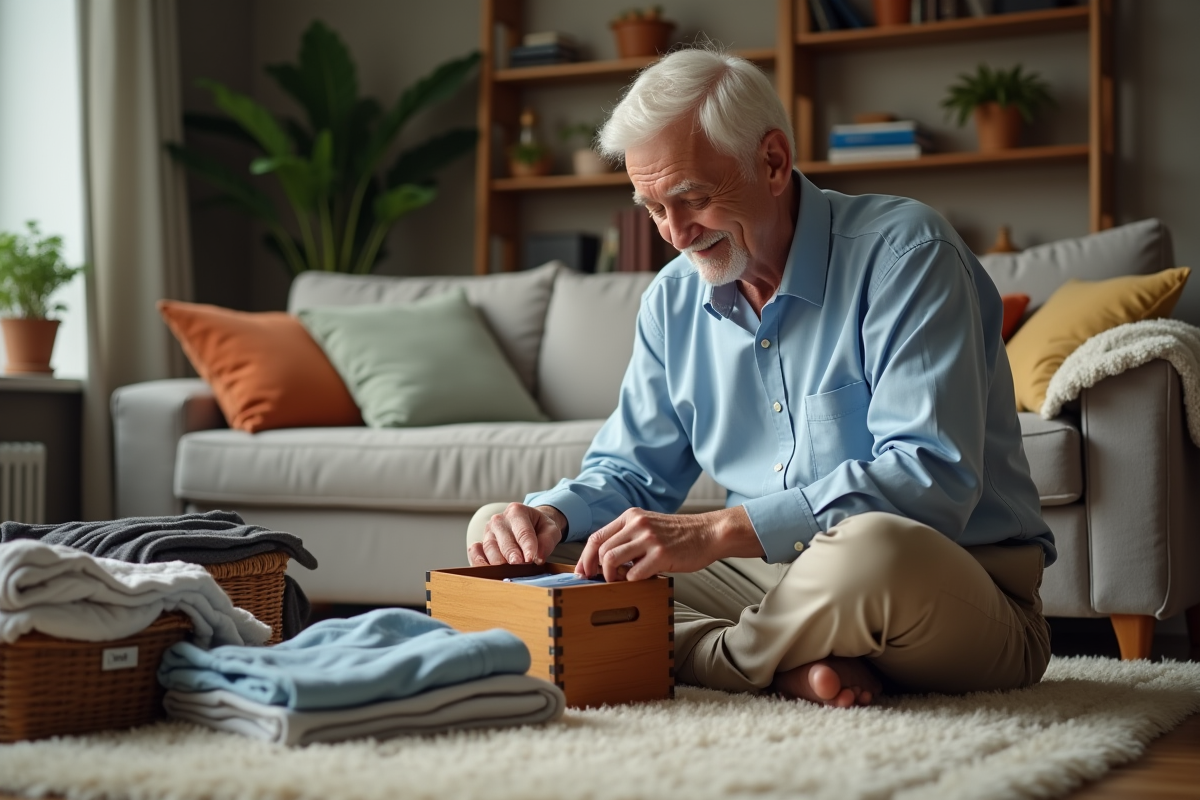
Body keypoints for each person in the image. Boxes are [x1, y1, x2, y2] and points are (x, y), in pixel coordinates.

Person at [467, 47, 1054, 708]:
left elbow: (930, 481)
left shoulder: (907, 256)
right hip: (767, 584)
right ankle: (793, 658)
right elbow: (632, 472)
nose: (676, 234)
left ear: (772, 162)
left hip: (945, 584)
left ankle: (723, 661)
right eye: (653, 209)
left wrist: (717, 531)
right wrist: (546, 515)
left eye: (692, 199)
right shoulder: (671, 301)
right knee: (514, 545)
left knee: (875, 549)